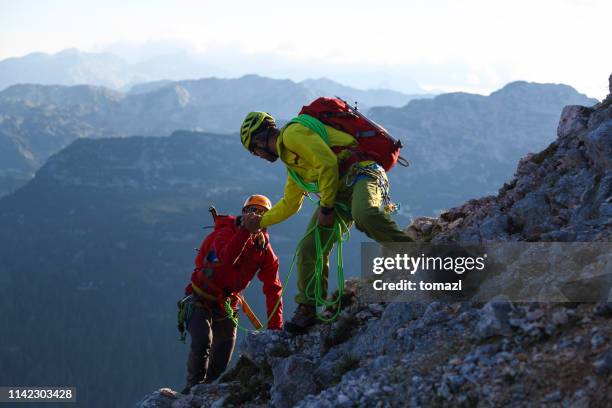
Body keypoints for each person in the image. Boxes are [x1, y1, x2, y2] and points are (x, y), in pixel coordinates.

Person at [239, 111, 414, 334]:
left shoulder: (293, 135)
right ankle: (308, 308)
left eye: (254, 151)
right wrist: (260, 221)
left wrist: (327, 207)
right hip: (340, 193)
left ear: (258, 141)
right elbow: (290, 204)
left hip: (364, 172)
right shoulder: (293, 166)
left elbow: (328, 163)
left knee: (365, 214)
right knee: (309, 247)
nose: (258, 156)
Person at [181, 194, 283, 394]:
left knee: (221, 357)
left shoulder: (263, 250)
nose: (255, 215)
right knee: (202, 341)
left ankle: (205, 390)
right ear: (243, 213)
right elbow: (226, 259)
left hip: (227, 303)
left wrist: (275, 329)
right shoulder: (224, 233)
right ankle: (191, 389)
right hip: (200, 297)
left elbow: (273, 288)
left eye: (260, 212)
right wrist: (245, 232)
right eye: (251, 210)